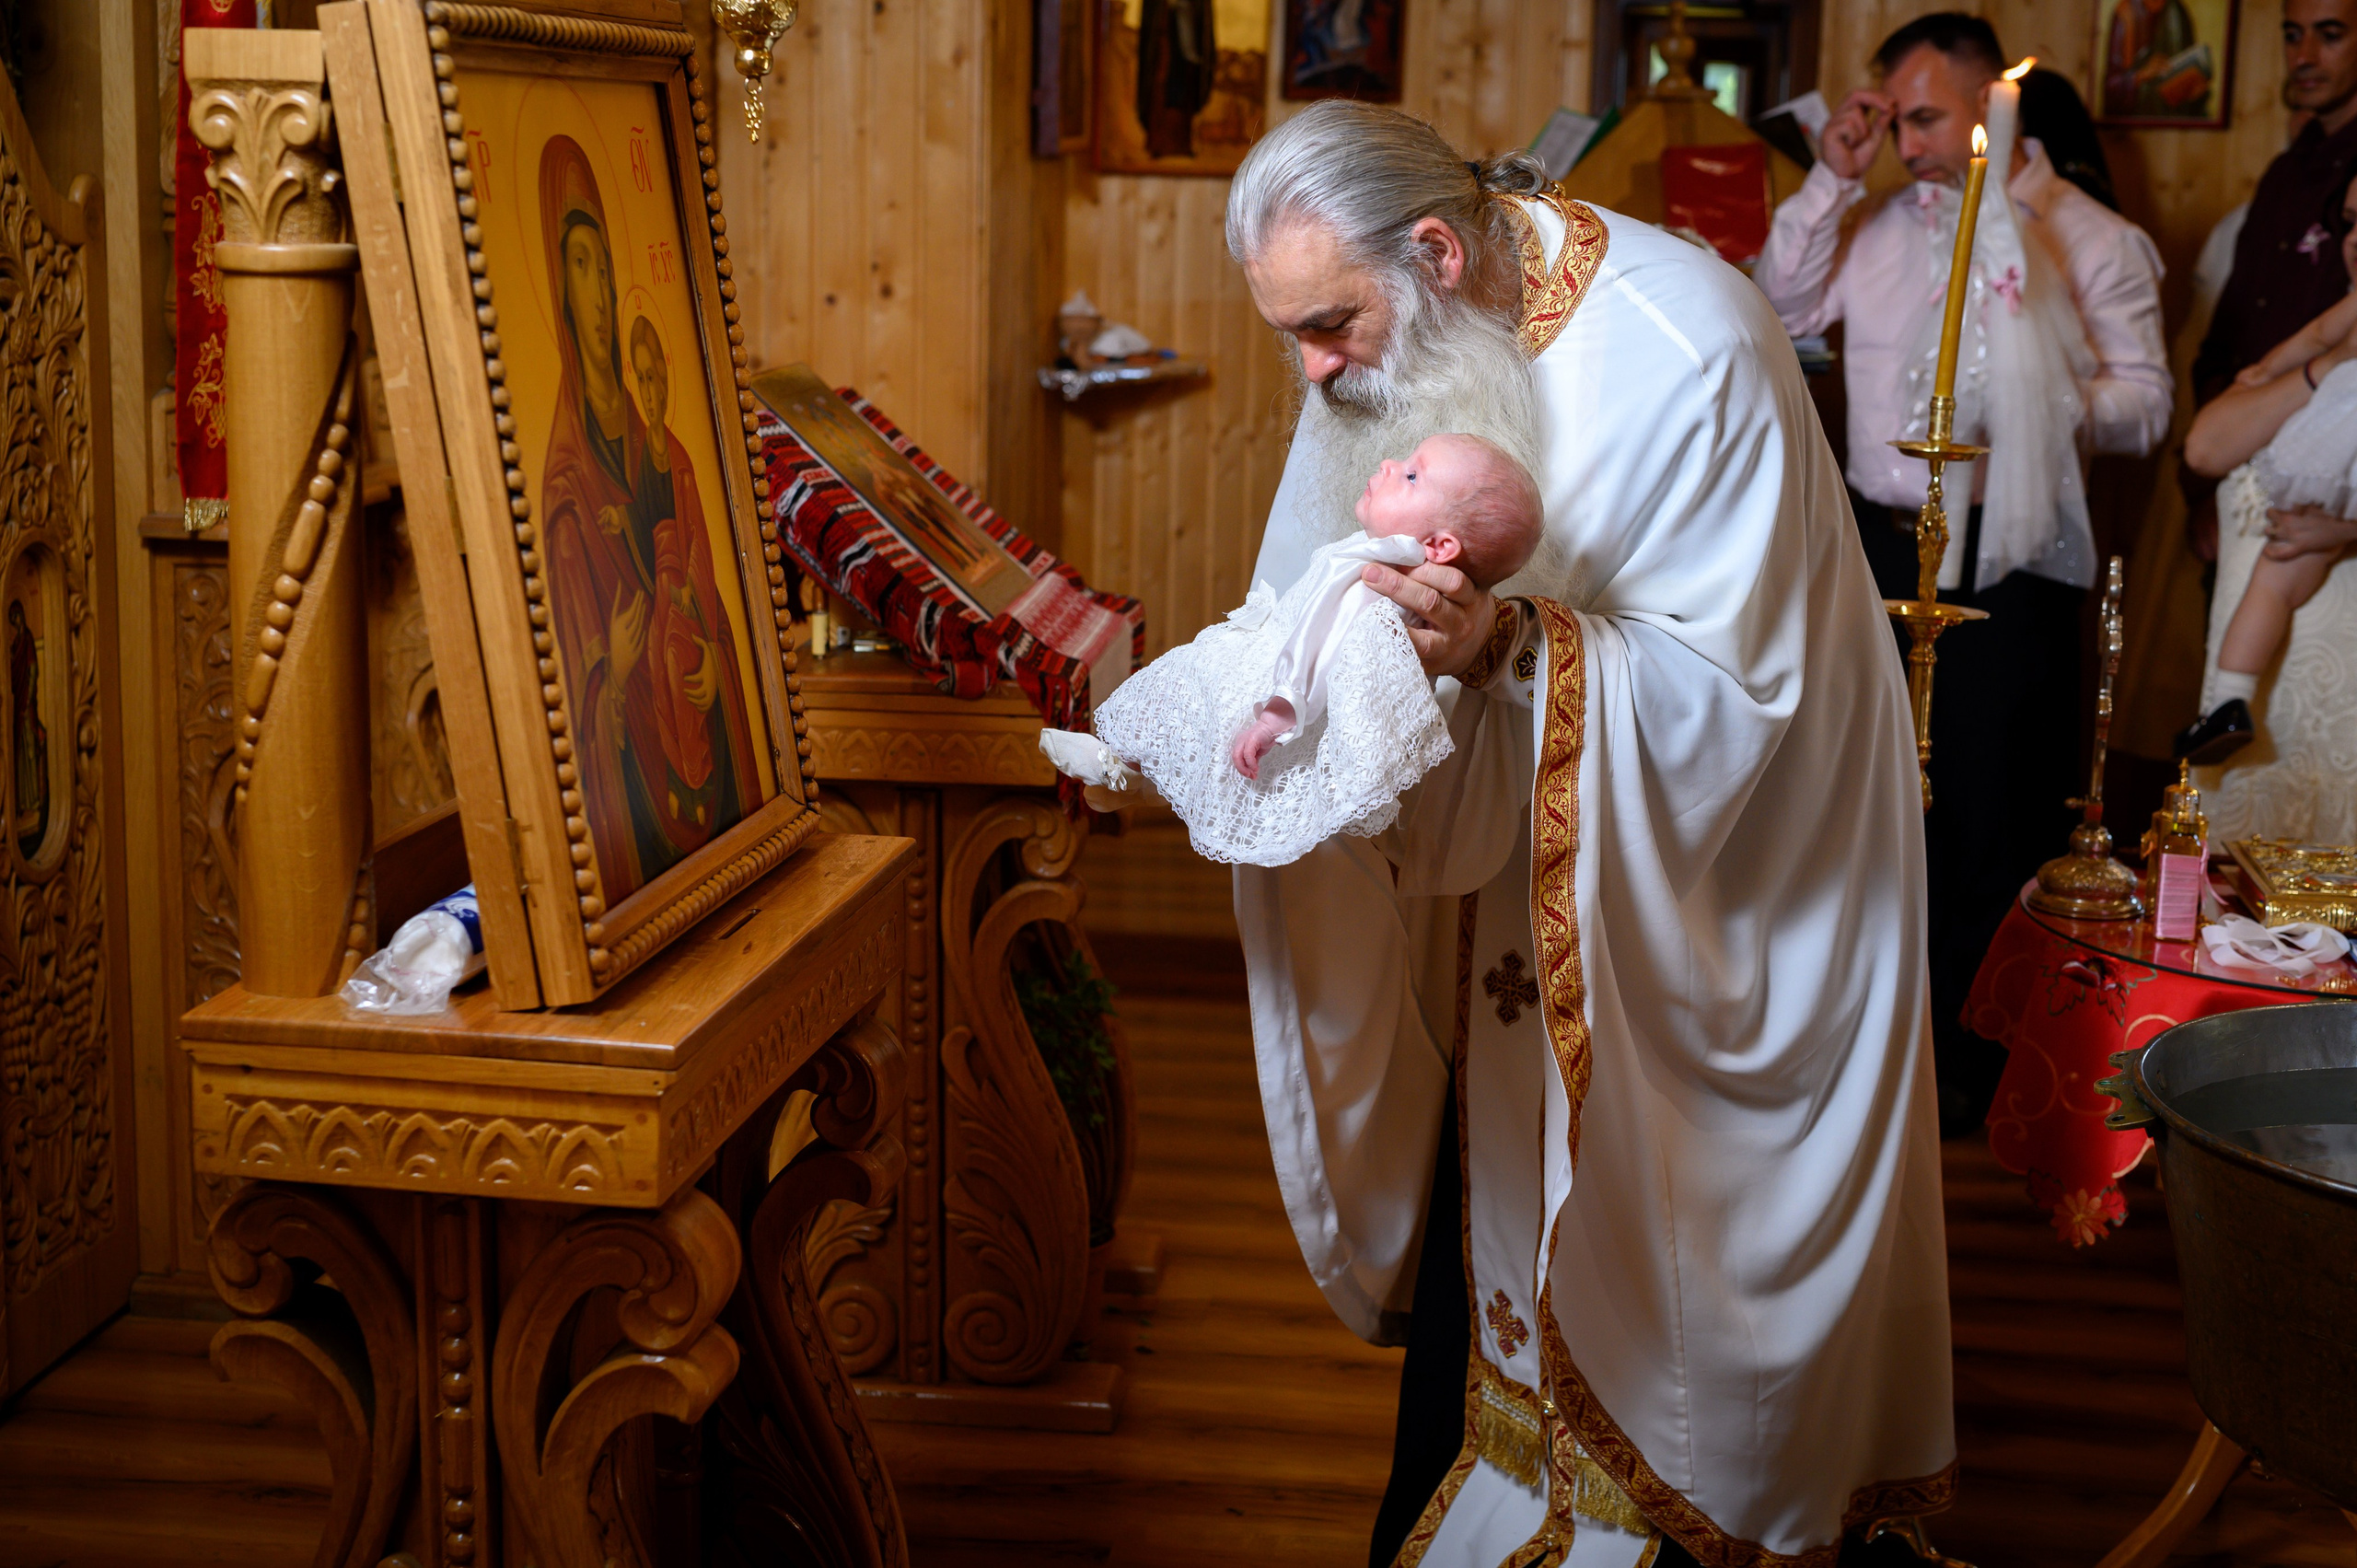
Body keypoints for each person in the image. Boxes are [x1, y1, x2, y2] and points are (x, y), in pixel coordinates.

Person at [1204, 100, 1952, 1568]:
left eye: (1328, 324)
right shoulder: (1399, 340)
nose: (1315, 368)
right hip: (1537, 895)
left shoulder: (1688, 347)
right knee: (1506, 1175)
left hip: (1747, 896)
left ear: (1434, 248)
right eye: (1291, 331)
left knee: (1695, 1272)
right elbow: (1304, 575)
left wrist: (1497, 648)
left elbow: (1739, 702)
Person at [1751, 13, 2170, 1132]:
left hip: (2010, 556)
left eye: (1924, 118)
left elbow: (2148, 404)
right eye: (1888, 120)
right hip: (1877, 541)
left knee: (1991, 804)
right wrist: (1830, 183)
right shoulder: (1875, 221)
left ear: (1995, 104)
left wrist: (2042, 400)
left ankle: (1979, 1068)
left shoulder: (2086, 236)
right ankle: (1875, 1051)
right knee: (1871, 799)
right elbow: (1780, 317)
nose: (1903, 141)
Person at [1043, 434, 1541, 867]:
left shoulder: (1375, 580)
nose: (1390, 465)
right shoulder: (1387, 565)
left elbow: (1320, 645)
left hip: (1288, 683)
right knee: (1198, 706)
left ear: (1439, 547)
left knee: (1200, 693)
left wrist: (1277, 712)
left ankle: (1123, 769)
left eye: (1411, 476)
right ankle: (1131, 771)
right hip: (1293, 680)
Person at [537, 136, 759, 900]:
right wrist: (619, 672)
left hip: (710, 813)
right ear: (560, 292)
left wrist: (712, 675)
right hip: (632, 833)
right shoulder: (567, 491)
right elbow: (570, 698)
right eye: (579, 268)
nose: (599, 296)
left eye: (605, 266)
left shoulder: (669, 456)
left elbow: (714, 615)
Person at [2171, 174, 2357, 836]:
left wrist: (2342, 526)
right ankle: (2230, 704)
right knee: (2278, 568)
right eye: (2353, 224)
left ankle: (2228, 700)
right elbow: (2309, 341)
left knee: (2285, 562)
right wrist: (2266, 372)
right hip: (2327, 468)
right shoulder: (2351, 312)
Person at [2190, 0, 2357, 406]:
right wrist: (2215, 399)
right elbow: (2234, 319)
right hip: (2240, 423)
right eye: (2292, 36)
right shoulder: (2285, 172)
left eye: (2330, 36)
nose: (2304, 57)